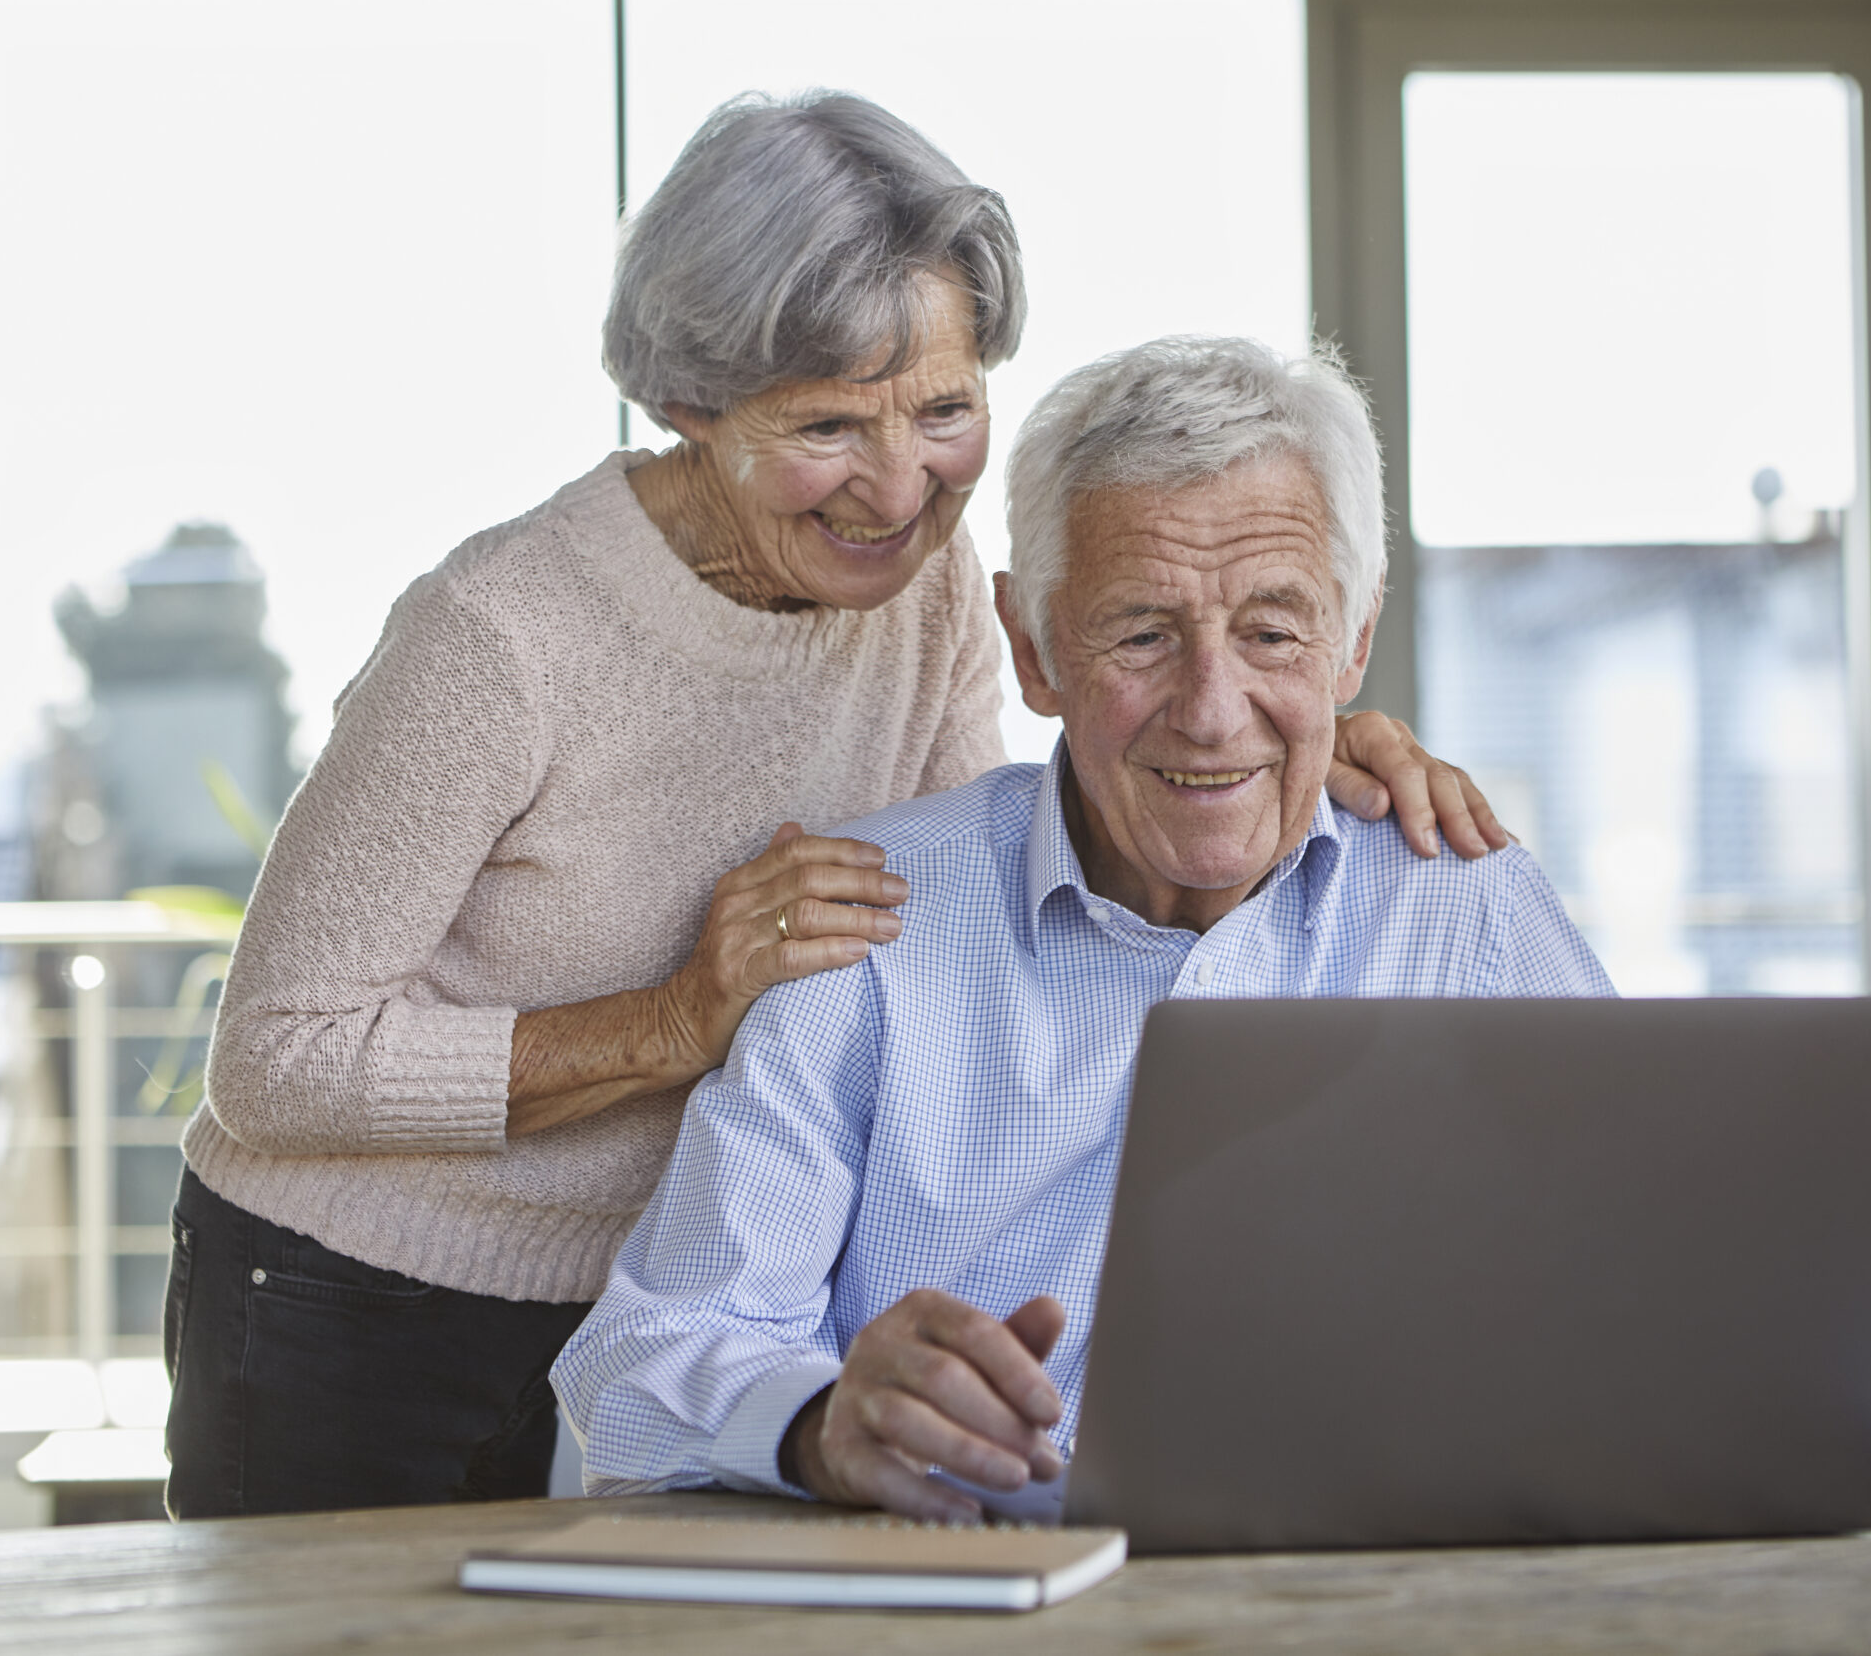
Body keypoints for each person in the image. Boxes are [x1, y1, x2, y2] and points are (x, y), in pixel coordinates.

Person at [163, 95, 1506, 1520]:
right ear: (690, 406)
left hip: (691, 1295)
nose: (896, 486)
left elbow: (966, 905)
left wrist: (1252, 727)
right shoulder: (499, 635)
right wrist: (678, 1019)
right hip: (361, 1294)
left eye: (942, 410)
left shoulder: (930, 593)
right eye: (824, 424)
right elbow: (274, 1059)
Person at [553, 335, 1615, 1520]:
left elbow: (1650, 1291)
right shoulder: (867, 919)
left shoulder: (1461, 903)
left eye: (1272, 632)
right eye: (1141, 634)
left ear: (1353, 638)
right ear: (1033, 647)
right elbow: (641, 1362)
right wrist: (814, 1423)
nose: (1211, 715)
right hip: (978, 1599)